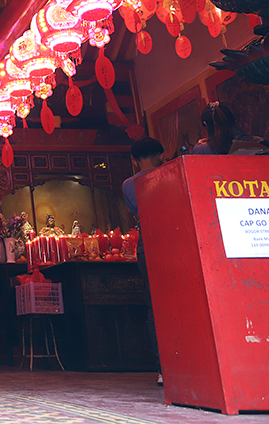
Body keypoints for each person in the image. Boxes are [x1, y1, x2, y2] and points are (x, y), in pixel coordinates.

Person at [122, 137, 164, 387]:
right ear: (161, 153)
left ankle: (162, 368)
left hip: (147, 242)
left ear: (134, 160)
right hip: (176, 237)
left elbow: (134, 210)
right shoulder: (171, 172)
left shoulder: (129, 184)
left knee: (154, 304)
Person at [192, 103, 262, 155]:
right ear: (233, 120)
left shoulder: (201, 150)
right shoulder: (258, 142)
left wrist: (201, 147)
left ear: (205, 125)